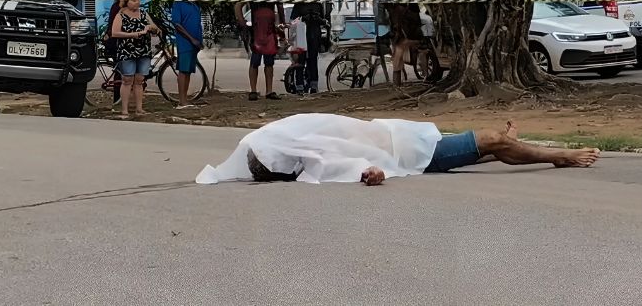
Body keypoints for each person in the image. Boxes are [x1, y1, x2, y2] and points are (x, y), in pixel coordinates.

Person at [195, 113, 600, 185]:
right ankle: (559, 155)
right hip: (413, 154)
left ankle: (512, 141)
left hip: (405, 134)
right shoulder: (310, 161)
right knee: (491, 141)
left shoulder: (285, 133)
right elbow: (345, 167)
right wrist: (371, 173)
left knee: (491, 145)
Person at [234, 0, 286, 101]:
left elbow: (280, 8)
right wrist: (241, 21)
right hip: (256, 32)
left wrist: (281, 25)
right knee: (255, 62)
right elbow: (238, 5)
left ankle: (269, 91)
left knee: (269, 63)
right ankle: (253, 91)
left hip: (270, 32)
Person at [109, 0, 161, 119]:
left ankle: (139, 109)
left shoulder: (143, 13)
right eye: (133, 0)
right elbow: (115, 33)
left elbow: (155, 27)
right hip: (127, 51)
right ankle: (125, 110)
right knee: (127, 80)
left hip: (143, 51)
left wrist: (151, 28)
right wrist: (133, 34)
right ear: (127, 1)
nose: (137, 2)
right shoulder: (120, 15)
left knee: (139, 80)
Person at [170, 0, 203, 109]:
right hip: (185, 43)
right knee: (183, 71)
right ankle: (181, 101)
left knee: (188, 71)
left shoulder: (194, 5)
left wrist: (199, 41)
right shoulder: (178, 4)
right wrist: (191, 39)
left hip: (195, 43)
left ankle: (185, 99)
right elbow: (177, 24)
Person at [384, 0, 424, 86]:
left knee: (397, 57)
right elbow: (418, 20)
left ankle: (396, 85)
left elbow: (387, 20)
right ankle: (427, 77)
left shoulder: (389, 1)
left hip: (403, 37)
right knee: (421, 52)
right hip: (414, 36)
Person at [289, 0, 326, 94]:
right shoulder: (299, 4)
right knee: (301, 60)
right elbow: (293, 20)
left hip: (314, 34)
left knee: (313, 60)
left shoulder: (318, 5)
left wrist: (317, 18)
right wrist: (303, 18)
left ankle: (314, 84)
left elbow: (324, 20)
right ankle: (299, 85)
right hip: (301, 34)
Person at [103, 0, 132, 103]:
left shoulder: (129, 7)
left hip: (125, 41)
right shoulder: (116, 7)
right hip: (116, 42)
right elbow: (113, 25)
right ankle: (117, 98)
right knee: (119, 71)